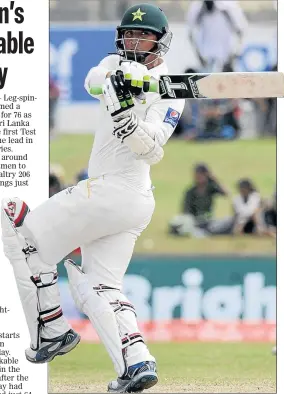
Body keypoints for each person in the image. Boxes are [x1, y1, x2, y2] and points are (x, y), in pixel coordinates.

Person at [1, 3, 184, 393]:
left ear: (160, 42)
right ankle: (136, 363)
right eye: (129, 35)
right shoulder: (111, 63)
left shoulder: (170, 92)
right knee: (98, 286)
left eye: (143, 35)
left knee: (17, 228)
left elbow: (150, 149)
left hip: (119, 189)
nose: (133, 41)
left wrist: (124, 116)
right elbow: (90, 79)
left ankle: (49, 328)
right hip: (121, 201)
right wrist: (118, 80)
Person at [169, 163, 233, 237]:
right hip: (194, 221)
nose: (198, 178)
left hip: (208, 221)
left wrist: (215, 180)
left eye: (200, 175)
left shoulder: (210, 188)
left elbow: (227, 193)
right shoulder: (190, 191)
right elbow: (185, 211)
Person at [187, 0, 248, 73]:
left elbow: (241, 32)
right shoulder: (197, 7)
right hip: (206, 62)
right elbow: (190, 34)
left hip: (226, 62)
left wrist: (234, 55)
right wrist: (199, 56)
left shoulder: (229, 6)